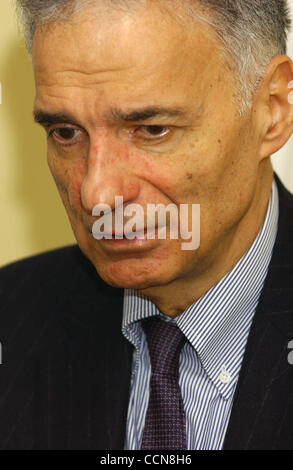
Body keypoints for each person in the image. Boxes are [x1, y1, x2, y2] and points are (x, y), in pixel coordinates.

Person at [0, 0, 293, 450]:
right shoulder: (12, 319)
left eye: (152, 129)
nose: (97, 194)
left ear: (271, 109)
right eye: (65, 132)